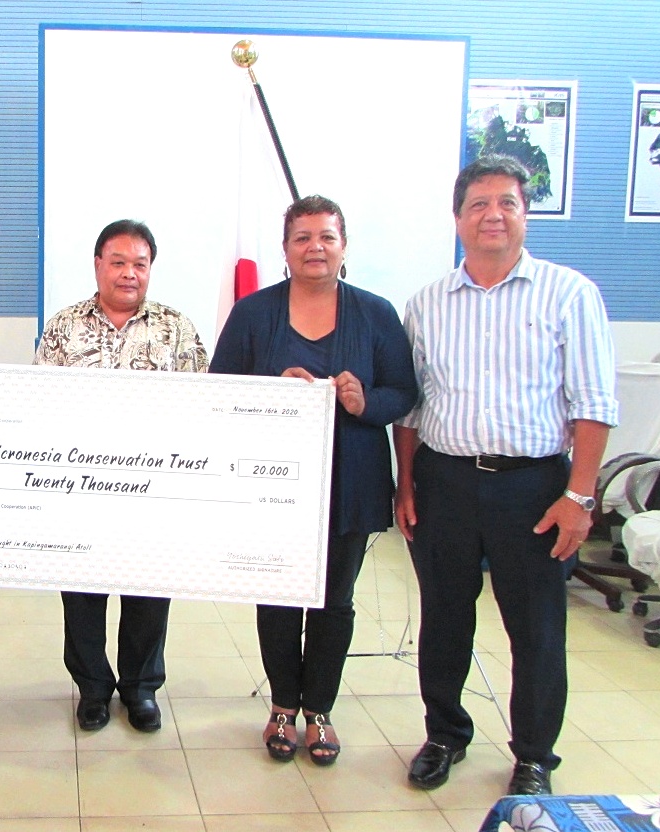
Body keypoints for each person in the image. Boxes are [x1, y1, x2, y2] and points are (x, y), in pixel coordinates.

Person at [395, 155, 618, 796]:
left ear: (525, 213)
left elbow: (594, 405)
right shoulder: (427, 303)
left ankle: (535, 756)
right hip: (446, 483)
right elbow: (412, 408)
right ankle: (444, 735)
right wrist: (406, 485)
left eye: (508, 202)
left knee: (537, 627)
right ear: (458, 218)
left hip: (536, 489)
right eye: (479, 203)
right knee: (444, 618)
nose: (493, 214)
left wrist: (579, 496)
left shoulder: (569, 294)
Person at [210, 195, 417, 765]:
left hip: (350, 482)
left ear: (343, 245)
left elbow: (405, 393)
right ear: (285, 250)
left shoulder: (375, 313)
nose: (314, 248)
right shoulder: (255, 313)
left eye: (326, 236)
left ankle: (320, 709)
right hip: (270, 485)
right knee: (276, 594)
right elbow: (219, 391)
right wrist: (274, 392)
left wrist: (363, 399)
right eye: (302, 237)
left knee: (334, 600)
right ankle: (282, 706)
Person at [34, 219, 208, 732]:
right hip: (78, 486)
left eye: (140, 264)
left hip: (155, 489)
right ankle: (92, 688)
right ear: (98, 265)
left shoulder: (177, 327)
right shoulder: (65, 326)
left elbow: (203, 404)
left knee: (149, 590)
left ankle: (140, 688)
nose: (129, 274)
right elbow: (39, 404)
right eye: (118, 262)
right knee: (82, 593)